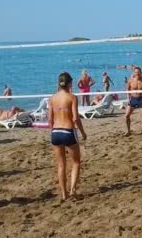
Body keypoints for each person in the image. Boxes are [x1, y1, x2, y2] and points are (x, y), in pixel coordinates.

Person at [49, 72, 87, 201]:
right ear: (70, 83)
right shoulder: (72, 97)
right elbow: (76, 118)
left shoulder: (52, 98)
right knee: (76, 163)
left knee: (61, 165)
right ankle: (72, 191)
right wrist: (83, 133)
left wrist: (53, 131)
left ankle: (64, 194)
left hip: (55, 132)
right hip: (68, 131)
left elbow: (50, 119)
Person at [125, 67, 142, 136]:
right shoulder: (130, 81)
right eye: (136, 72)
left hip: (141, 99)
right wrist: (128, 99)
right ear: (134, 73)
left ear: (141, 72)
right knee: (127, 115)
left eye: (139, 72)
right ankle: (128, 131)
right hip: (132, 99)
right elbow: (127, 90)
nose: (137, 73)